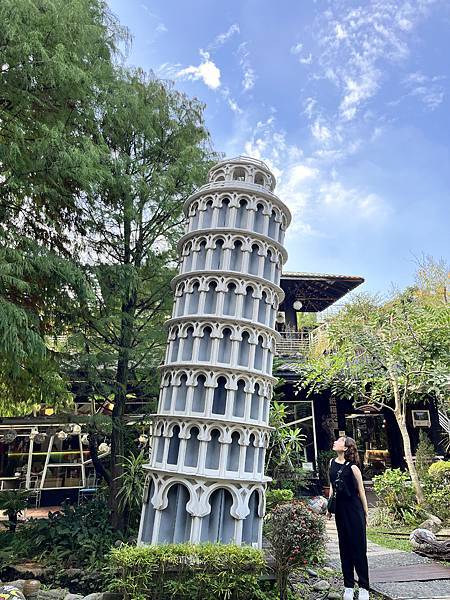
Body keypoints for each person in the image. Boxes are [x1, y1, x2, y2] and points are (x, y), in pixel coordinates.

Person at [327, 435, 370, 600]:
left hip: (354, 510)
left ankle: (364, 587)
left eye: (339, 441)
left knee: (358, 549)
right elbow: (332, 486)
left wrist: (366, 513)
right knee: (344, 549)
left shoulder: (353, 468)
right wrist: (330, 508)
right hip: (340, 511)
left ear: (345, 448)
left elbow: (361, 491)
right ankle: (348, 586)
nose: (335, 442)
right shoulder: (331, 463)